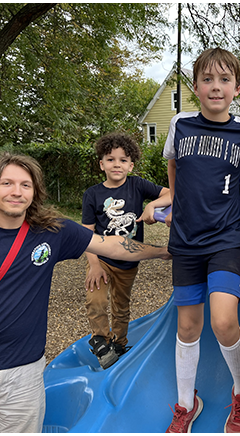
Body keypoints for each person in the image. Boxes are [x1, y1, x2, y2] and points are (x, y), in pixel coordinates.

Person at [0, 152, 170, 433]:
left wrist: (165, 252)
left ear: (34, 192)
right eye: (7, 183)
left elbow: (113, 245)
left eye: (26, 185)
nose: (17, 192)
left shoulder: (51, 233)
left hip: (26, 374)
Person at [162, 47, 240, 433]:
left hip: (227, 237)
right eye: (207, 79)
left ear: (237, 88)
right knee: (187, 328)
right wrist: (175, 199)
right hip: (186, 241)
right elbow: (174, 162)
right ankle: (185, 404)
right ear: (195, 86)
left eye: (225, 79)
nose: (216, 86)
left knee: (225, 322)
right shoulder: (179, 124)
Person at [81, 132, 171, 369]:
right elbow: (86, 233)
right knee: (96, 298)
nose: (117, 164)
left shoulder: (138, 185)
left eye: (123, 160)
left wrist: (152, 204)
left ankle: (118, 344)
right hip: (102, 259)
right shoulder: (92, 194)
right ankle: (101, 340)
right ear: (101, 164)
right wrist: (94, 265)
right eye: (110, 159)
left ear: (131, 165)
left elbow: (173, 193)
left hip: (129, 261)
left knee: (121, 305)